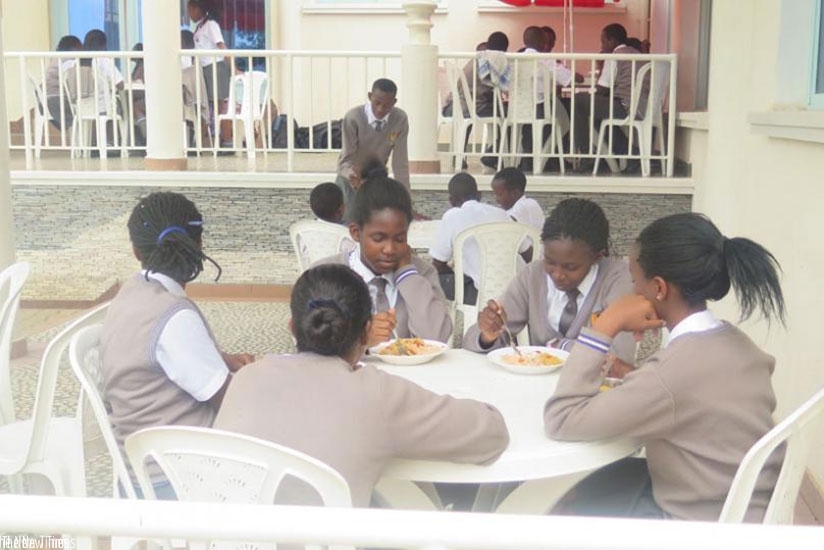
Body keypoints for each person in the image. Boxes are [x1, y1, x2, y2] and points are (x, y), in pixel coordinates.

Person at [544, 213, 786, 521]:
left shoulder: (669, 374)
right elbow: (694, 395)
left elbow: (561, 420)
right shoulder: (738, 343)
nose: (632, 292)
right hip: (746, 508)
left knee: (564, 500)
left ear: (658, 288)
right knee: (598, 479)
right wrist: (635, 377)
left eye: (635, 280)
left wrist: (607, 323)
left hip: (696, 526)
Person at [213, 264, 509, 507]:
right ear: (367, 332)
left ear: (292, 327)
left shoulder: (246, 379)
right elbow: (491, 434)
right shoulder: (376, 394)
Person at [100, 192, 255, 499]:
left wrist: (219, 358)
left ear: (135, 250)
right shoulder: (173, 316)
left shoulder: (133, 293)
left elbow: (154, 353)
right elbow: (229, 404)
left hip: (139, 467)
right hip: (178, 478)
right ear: (199, 245)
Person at [463, 198, 636, 364]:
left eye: (571, 267)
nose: (558, 275)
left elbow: (619, 356)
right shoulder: (534, 276)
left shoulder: (618, 280)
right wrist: (487, 335)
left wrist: (559, 347)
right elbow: (471, 341)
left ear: (597, 257)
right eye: (550, 262)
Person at [315, 177, 452, 346]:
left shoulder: (422, 273)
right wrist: (360, 340)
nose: (390, 249)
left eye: (400, 239)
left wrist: (407, 276)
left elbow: (436, 339)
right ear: (356, 232)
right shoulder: (326, 275)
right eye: (378, 238)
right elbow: (310, 343)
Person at [429, 173, 515, 304]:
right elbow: (528, 253)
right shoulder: (501, 214)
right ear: (479, 195)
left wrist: (456, 273)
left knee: (430, 277)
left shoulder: (452, 216)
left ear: (451, 201)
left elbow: (438, 265)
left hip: (478, 294)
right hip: (512, 290)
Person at [336, 78, 409, 222]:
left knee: (377, 224)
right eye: (377, 103)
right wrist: (354, 178)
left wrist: (406, 202)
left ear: (394, 102)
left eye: (387, 105)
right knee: (349, 223)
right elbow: (345, 160)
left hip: (377, 180)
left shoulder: (400, 119)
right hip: (351, 179)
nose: (381, 109)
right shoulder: (353, 118)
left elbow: (400, 164)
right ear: (370, 97)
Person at [572, 23, 642, 170]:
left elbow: (603, 89)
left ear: (612, 41)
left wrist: (589, 98)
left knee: (578, 101)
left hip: (625, 106)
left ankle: (586, 155)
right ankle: (628, 152)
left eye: (603, 41)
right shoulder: (638, 54)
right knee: (595, 113)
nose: (602, 46)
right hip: (643, 107)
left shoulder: (615, 56)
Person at [187, 0, 233, 151]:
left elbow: (221, 47)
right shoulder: (200, 26)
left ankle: (228, 141)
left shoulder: (211, 25)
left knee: (219, 106)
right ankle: (199, 142)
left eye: (190, 10)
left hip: (215, 68)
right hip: (204, 70)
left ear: (197, 9)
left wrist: (233, 68)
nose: (189, 13)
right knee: (205, 107)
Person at [45, 35, 82, 129]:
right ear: (74, 48)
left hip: (48, 100)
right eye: (80, 48)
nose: (83, 52)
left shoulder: (57, 60)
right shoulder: (68, 62)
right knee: (85, 114)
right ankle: (86, 140)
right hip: (57, 102)